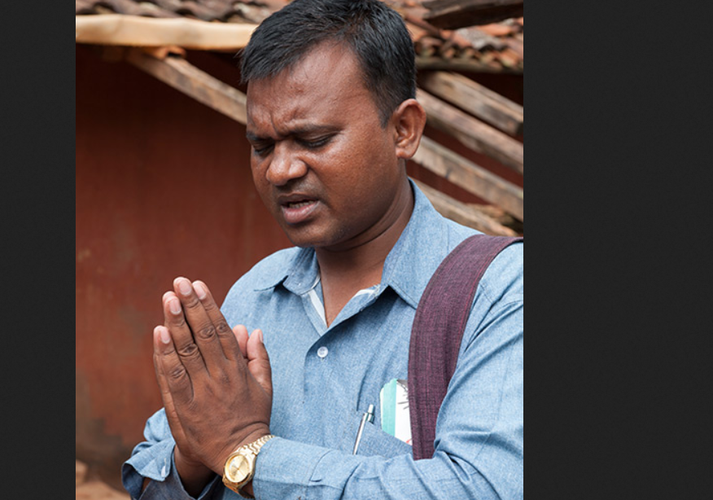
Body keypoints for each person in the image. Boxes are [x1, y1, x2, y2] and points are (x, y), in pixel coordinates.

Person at [122, 0, 523, 498]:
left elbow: (481, 488)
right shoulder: (258, 294)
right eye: (262, 146)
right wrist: (194, 453)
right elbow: (147, 473)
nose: (279, 171)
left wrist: (245, 452)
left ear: (404, 130)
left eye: (312, 138)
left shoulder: (500, 292)